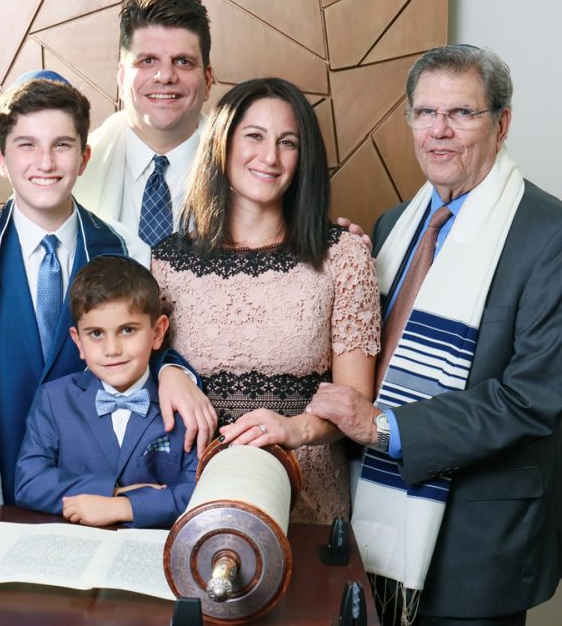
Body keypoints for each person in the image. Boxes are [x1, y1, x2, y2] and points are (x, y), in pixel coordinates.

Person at [306, 45, 562, 626]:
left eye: (461, 114)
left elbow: (531, 400)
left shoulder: (550, 234)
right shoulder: (396, 225)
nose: (439, 131)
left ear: (502, 123)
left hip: (476, 540)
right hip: (369, 518)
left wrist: (383, 426)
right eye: (425, 113)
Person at [0, 74, 214, 515]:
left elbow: (150, 344)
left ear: (85, 157)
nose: (45, 162)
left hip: (108, 498)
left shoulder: (127, 249)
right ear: (0, 158)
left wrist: (175, 372)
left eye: (63, 145)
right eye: (27, 145)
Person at [152, 77, 380, 525]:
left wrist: (295, 429)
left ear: (304, 158)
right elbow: (130, 367)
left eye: (288, 142)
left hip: (305, 499)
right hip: (191, 494)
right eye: (254, 136)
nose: (270, 157)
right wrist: (167, 372)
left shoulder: (344, 257)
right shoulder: (167, 261)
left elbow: (355, 399)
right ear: (222, 143)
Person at [15, 255, 198, 528]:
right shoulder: (54, 399)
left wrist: (123, 507)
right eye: (96, 334)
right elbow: (29, 482)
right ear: (78, 341)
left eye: (127, 330)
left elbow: (199, 492)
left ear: (157, 332)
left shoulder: (183, 404)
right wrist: (110, 491)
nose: (112, 350)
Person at [74, 0, 212, 246]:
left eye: (183, 61)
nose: (165, 76)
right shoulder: (70, 170)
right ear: (122, 77)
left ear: (207, 79)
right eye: (148, 61)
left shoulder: (245, 176)